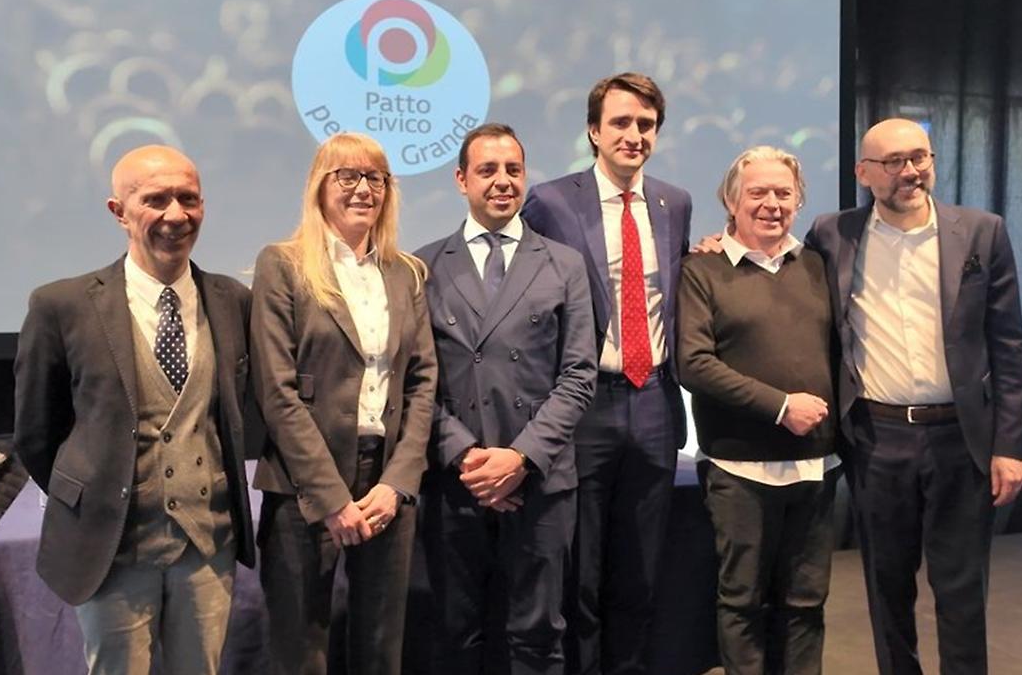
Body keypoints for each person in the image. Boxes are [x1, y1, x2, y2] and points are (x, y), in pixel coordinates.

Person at [14, 145, 256, 675]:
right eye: (156, 199)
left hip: (207, 545)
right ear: (118, 212)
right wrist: (95, 489)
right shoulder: (63, 306)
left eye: (188, 199)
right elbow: (36, 432)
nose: (176, 215)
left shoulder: (232, 299)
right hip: (112, 548)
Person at [805, 118, 1022, 674]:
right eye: (894, 162)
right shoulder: (833, 235)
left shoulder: (981, 232)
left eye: (919, 158)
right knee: (886, 586)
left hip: (962, 438)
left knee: (961, 588)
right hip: (877, 438)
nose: (910, 172)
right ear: (863, 173)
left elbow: (1009, 345)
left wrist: (1011, 444)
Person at [521, 72, 692, 675]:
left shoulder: (675, 203)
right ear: (594, 131)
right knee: (582, 571)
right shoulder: (549, 200)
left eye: (646, 125)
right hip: (584, 404)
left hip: (653, 403)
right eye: (621, 123)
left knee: (641, 570)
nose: (634, 135)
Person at [249, 132, 437, 675]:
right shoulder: (282, 265)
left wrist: (397, 483)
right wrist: (332, 499)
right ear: (319, 187)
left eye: (375, 177)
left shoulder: (406, 273)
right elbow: (277, 391)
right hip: (304, 485)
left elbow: (423, 383)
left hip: (385, 483)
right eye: (347, 176)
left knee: (381, 651)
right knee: (300, 651)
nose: (363, 189)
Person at [416, 123, 598, 675]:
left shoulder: (564, 263)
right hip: (457, 480)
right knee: (457, 636)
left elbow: (579, 375)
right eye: (487, 170)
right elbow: (418, 381)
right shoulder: (423, 265)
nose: (502, 182)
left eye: (513, 170)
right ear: (461, 180)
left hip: (541, 480)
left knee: (539, 636)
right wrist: (470, 459)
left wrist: (518, 460)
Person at [677, 146, 838, 675]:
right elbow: (694, 365)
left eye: (783, 193)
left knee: (805, 604)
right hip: (738, 469)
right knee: (741, 603)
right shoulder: (702, 270)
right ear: (730, 200)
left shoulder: (817, 265)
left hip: (816, 467)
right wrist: (780, 407)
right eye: (758, 193)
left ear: (799, 201)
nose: (772, 204)